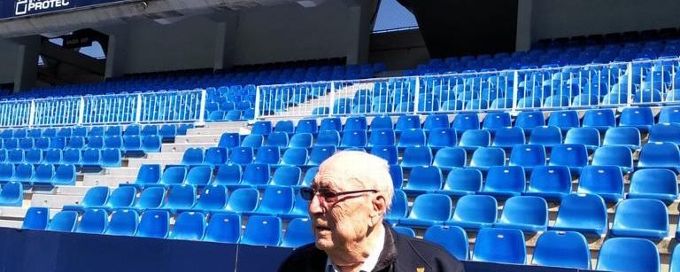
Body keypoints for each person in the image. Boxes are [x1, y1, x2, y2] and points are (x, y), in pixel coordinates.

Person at [279, 151, 465, 272]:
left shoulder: (436, 266)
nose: (313, 208)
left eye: (329, 195)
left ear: (376, 207)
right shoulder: (295, 266)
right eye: (311, 193)